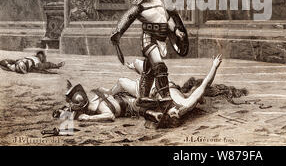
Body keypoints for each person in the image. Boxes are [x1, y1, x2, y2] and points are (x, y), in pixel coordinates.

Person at [52, 55, 223, 127]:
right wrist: (214, 67)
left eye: (171, 117)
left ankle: (136, 70)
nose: (172, 114)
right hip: (162, 85)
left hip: (149, 92)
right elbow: (203, 86)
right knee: (133, 72)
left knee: (129, 84)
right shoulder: (185, 104)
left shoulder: (160, 108)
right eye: (173, 115)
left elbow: (144, 109)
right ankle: (134, 70)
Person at [110, 0, 187, 103]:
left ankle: (143, 97)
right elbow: (127, 18)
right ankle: (166, 98)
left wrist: (176, 31)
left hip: (161, 39)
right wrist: (118, 32)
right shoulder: (138, 7)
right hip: (149, 39)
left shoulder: (159, 3)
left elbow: (166, 20)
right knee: (160, 66)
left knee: (149, 71)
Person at [0, 51, 64, 74]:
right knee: (43, 65)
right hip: (27, 62)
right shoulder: (33, 58)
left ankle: (56, 65)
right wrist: (8, 64)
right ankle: (56, 65)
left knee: (44, 65)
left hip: (31, 64)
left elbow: (46, 65)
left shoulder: (38, 61)